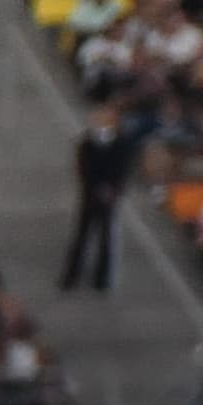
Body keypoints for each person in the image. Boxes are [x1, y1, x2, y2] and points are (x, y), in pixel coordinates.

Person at [65, 102, 138, 291]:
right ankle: (72, 274)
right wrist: (94, 186)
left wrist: (112, 189)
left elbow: (122, 169)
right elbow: (83, 166)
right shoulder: (88, 141)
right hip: (91, 193)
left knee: (106, 237)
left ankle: (102, 278)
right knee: (82, 235)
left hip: (109, 196)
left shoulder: (122, 143)